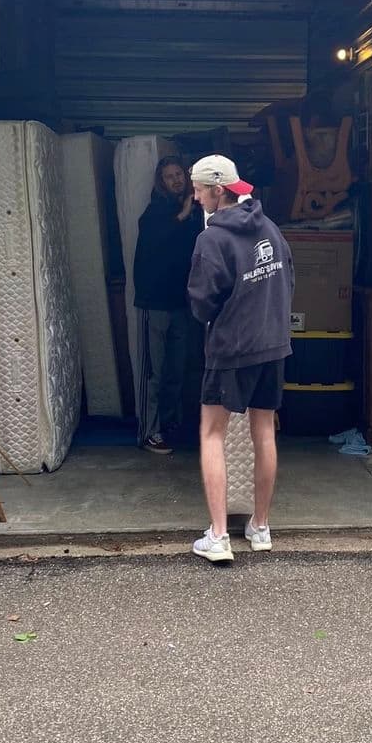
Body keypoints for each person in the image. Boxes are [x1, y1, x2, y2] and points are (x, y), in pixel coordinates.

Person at [186, 155, 294, 563]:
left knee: (211, 433)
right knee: (263, 431)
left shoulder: (212, 239)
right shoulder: (270, 227)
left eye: (198, 190)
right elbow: (290, 276)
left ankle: (218, 536)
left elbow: (201, 303)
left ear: (218, 190)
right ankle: (260, 526)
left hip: (231, 349)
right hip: (272, 345)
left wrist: (221, 320)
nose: (195, 197)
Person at [133, 155, 202, 454]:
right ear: (161, 182)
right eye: (169, 176)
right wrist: (182, 215)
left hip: (180, 304)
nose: (175, 180)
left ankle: (170, 425)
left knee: (177, 369)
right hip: (155, 303)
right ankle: (148, 433)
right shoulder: (155, 212)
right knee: (153, 373)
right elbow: (155, 241)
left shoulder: (192, 212)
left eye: (178, 175)